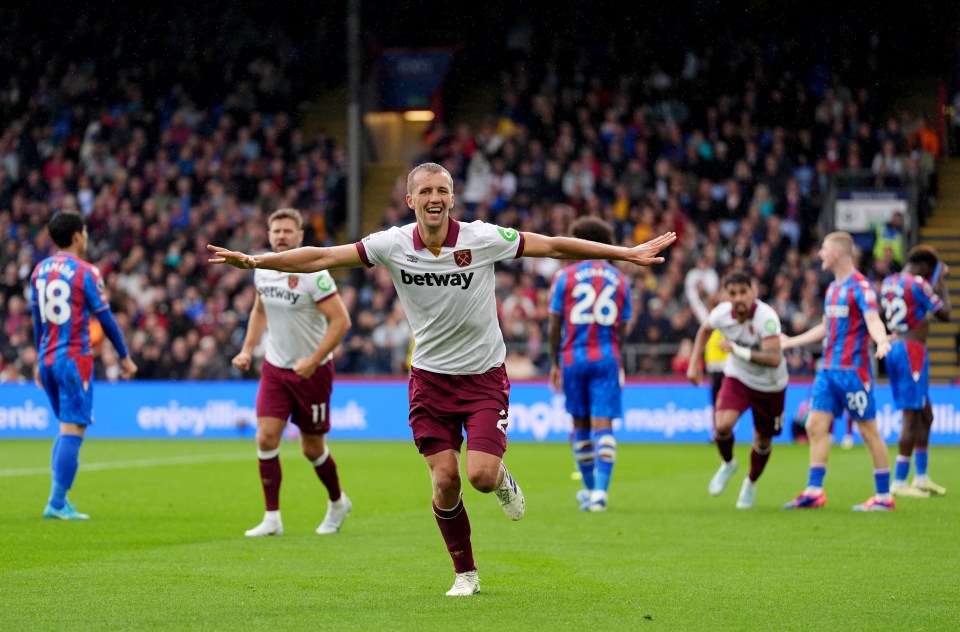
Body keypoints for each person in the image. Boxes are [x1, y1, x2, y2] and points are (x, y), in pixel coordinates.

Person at [208, 162, 676, 596]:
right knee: (446, 480)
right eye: (425, 191)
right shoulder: (391, 244)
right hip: (430, 381)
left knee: (480, 476)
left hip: (484, 377)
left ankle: (501, 480)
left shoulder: (483, 237)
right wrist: (257, 261)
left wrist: (624, 253)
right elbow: (322, 257)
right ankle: (465, 573)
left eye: (443, 190)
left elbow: (553, 244)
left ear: (452, 198)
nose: (435, 197)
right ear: (410, 200)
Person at [231, 208, 353, 537]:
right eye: (276, 231)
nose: (281, 236)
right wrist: (247, 349)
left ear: (301, 237)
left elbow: (341, 322)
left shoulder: (316, 275)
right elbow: (260, 310)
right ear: (269, 236)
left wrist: (314, 359)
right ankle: (272, 518)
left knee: (311, 448)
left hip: (312, 372)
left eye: (288, 231)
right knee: (266, 437)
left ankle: (338, 501)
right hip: (275, 367)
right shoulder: (262, 269)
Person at [30, 211, 138, 520]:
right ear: (77, 235)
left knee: (65, 426)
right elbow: (105, 317)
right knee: (73, 429)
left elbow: (38, 320)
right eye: (86, 232)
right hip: (74, 359)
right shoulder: (85, 271)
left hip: (47, 358)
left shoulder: (39, 270)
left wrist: (39, 357)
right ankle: (56, 502)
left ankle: (59, 499)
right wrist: (124, 356)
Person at [781, 231, 893, 511]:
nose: (819, 253)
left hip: (853, 372)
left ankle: (883, 497)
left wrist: (881, 339)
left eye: (824, 249)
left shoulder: (861, 286)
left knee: (868, 431)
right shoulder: (832, 289)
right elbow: (825, 327)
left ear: (838, 253)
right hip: (828, 370)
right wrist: (792, 341)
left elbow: (872, 319)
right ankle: (814, 490)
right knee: (814, 426)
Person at [547, 217, 631, 513]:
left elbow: (555, 325)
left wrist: (555, 362)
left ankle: (590, 487)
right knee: (603, 425)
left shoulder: (565, 277)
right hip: (606, 357)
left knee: (580, 424)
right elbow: (623, 326)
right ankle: (599, 493)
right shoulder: (620, 279)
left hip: (573, 358)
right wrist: (613, 349)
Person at [687, 271, 788, 509]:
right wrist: (694, 363)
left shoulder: (767, 317)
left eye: (743, 292)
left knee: (763, 441)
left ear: (753, 292)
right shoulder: (721, 313)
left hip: (770, 385)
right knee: (721, 425)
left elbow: (774, 358)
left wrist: (737, 350)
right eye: (732, 293)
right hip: (738, 377)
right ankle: (729, 463)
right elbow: (704, 330)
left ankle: (750, 483)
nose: (738, 298)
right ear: (726, 295)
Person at [880, 245, 951, 498]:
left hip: (895, 347)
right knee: (911, 417)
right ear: (924, 267)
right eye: (930, 271)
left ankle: (921, 477)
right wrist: (940, 279)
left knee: (926, 414)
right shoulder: (919, 284)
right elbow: (945, 313)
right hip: (912, 351)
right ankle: (899, 482)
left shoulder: (888, 283)